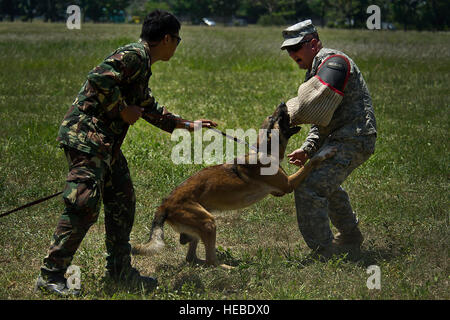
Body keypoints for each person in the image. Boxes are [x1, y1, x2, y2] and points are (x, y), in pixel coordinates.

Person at [35, 10, 217, 296]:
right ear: (167, 38)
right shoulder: (134, 55)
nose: (177, 46)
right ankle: (51, 274)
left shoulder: (142, 65)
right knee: (84, 204)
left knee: (122, 200)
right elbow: (97, 79)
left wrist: (185, 125)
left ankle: (120, 270)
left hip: (105, 145)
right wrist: (121, 109)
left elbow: (146, 107)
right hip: (86, 138)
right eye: (178, 40)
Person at [280, 20, 377, 258]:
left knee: (309, 186)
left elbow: (311, 106)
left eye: (296, 48)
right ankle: (350, 235)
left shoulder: (334, 62)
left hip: (354, 138)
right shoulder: (315, 71)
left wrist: (284, 117)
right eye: (288, 50)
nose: (292, 54)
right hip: (340, 138)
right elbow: (320, 119)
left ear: (313, 43)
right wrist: (308, 148)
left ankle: (323, 251)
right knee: (327, 184)